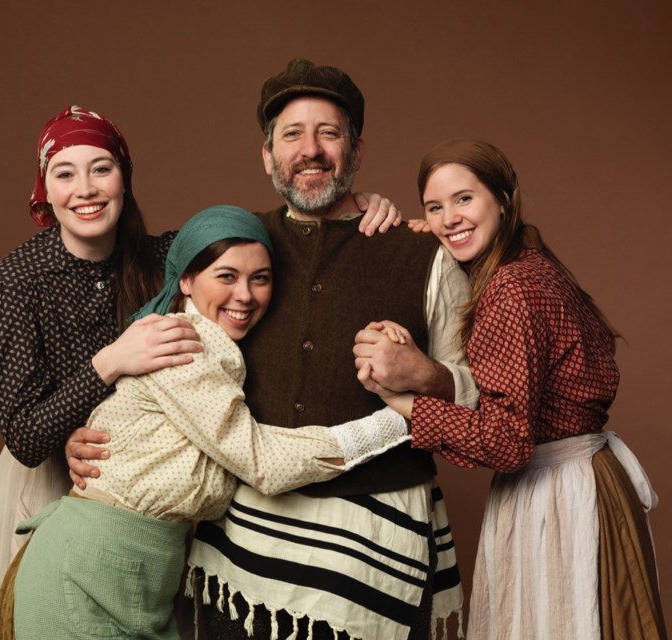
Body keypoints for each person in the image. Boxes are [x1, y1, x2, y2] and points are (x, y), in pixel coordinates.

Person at [0, 106, 400, 640]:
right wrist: (111, 363)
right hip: (54, 474)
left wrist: (359, 211)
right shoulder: (17, 280)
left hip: (151, 508)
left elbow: (240, 242)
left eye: (101, 168)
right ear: (45, 188)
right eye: (65, 173)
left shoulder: (162, 256)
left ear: (125, 178)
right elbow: (23, 435)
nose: (85, 189)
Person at [181, 59, 479, 640]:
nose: (310, 150)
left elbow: (476, 396)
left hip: (375, 551)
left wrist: (429, 375)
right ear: (267, 156)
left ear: (357, 150)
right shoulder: (233, 245)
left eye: (329, 133)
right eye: (292, 135)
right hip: (243, 548)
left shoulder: (423, 254)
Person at [357, 138, 667, 639]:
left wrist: (408, 404)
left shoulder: (511, 288)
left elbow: (507, 441)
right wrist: (429, 241)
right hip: (589, 479)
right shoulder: (530, 265)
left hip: (558, 496)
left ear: (502, 198)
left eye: (464, 199)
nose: (449, 217)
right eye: (434, 207)